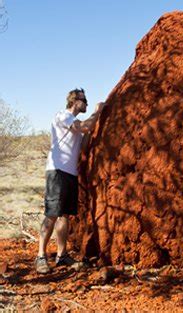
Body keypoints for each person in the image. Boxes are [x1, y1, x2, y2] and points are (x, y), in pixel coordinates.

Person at [35, 88, 106, 274]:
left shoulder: (75, 123)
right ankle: (41, 256)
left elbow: (83, 143)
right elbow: (83, 127)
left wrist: (93, 130)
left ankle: (62, 255)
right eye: (84, 100)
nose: (87, 104)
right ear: (74, 101)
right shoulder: (63, 116)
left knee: (64, 215)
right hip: (57, 170)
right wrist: (97, 112)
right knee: (52, 213)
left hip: (70, 173)